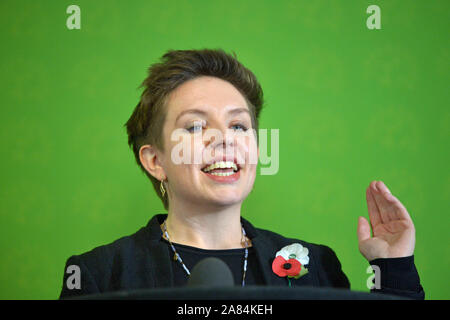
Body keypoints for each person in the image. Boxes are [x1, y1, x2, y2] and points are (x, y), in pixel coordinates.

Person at [59, 49, 424, 299]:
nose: (224, 140)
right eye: (196, 126)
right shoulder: (98, 274)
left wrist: (393, 269)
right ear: (155, 161)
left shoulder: (317, 266)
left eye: (238, 126)